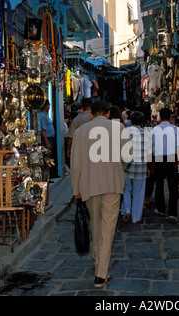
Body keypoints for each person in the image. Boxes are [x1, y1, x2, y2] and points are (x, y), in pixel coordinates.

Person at [71, 101, 132, 288]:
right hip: (112, 184)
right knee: (108, 228)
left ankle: (97, 258)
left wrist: (76, 191)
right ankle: (101, 273)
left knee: (95, 224)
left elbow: (75, 163)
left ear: (92, 115)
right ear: (107, 114)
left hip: (89, 185)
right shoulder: (119, 128)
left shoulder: (81, 131)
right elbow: (128, 157)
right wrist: (119, 168)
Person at [151, 108, 179, 223]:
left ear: (160, 117)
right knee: (173, 186)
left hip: (158, 159)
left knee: (159, 185)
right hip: (172, 158)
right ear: (171, 117)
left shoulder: (154, 130)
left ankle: (160, 209)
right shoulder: (176, 130)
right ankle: (172, 213)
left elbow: (150, 147)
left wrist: (150, 163)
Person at [121, 111, 152, 224]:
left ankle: (127, 209)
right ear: (142, 121)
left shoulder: (125, 132)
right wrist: (149, 167)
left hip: (127, 165)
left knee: (126, 188)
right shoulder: (147, 134)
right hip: (141, 165)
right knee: (139, 191)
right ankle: (136, 217)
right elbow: (149, 153)